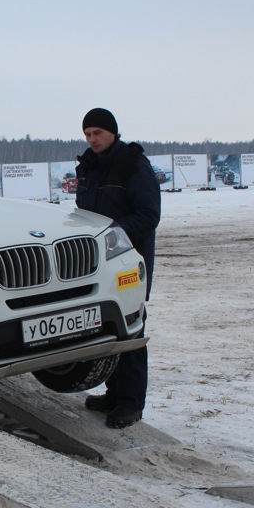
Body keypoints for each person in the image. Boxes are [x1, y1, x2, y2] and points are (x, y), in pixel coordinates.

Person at [75, 108, 161, 429]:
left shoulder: (132, 165)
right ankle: (114, 393)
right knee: (106, 328)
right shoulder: (89, 167)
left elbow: (148, 215)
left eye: (97, 133)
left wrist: (112, 236)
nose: (92, 139)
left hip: (128, 262)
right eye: (87, 134)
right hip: (96, 266)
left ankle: (131, 403)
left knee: (131, 329)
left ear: (113, 132)